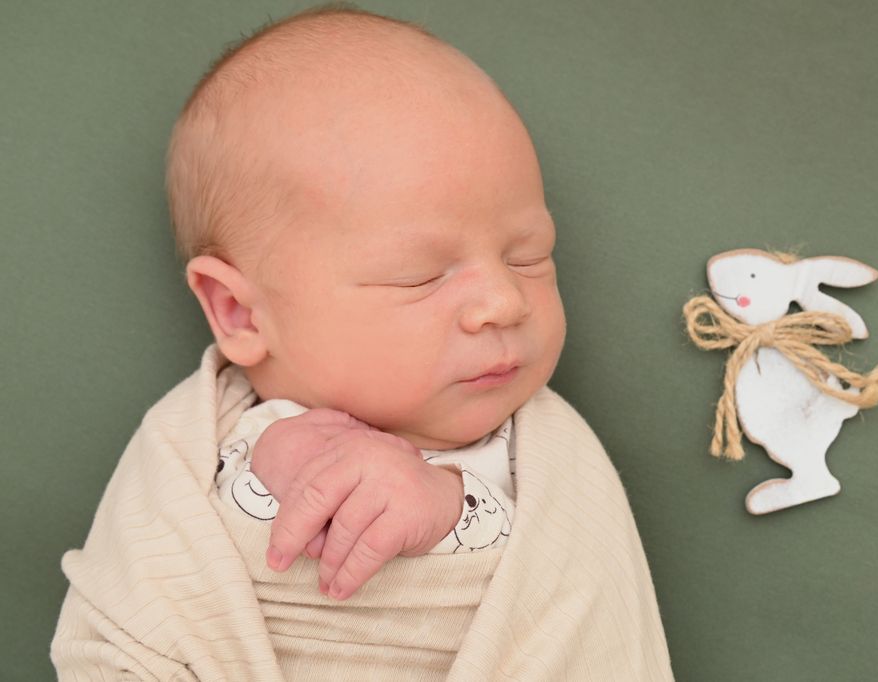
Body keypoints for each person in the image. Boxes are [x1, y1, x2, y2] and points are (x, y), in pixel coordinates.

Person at [52, 5, 673, 680]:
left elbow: (588, 623)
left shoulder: (549, 467)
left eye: (529, 256)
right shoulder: (189, 454)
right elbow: (115, 634)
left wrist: (445, 504)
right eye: (420, 275)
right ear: (240, 312)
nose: (506, 301)